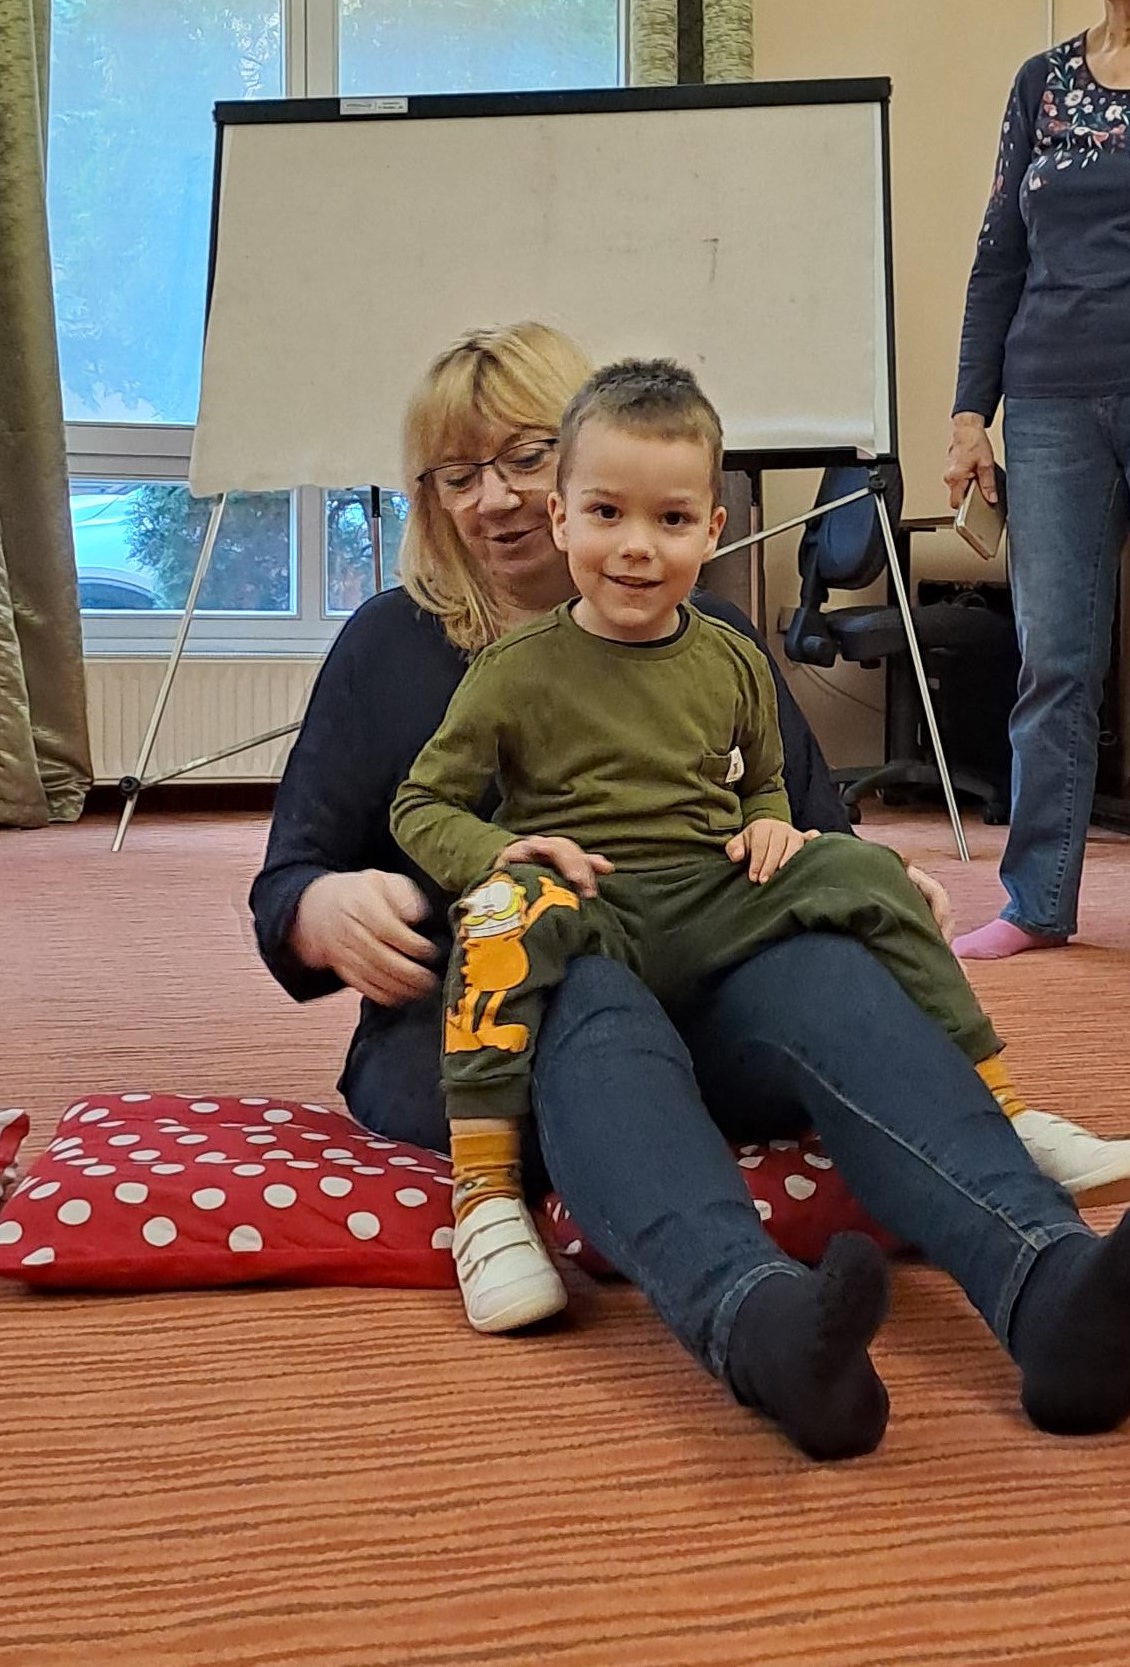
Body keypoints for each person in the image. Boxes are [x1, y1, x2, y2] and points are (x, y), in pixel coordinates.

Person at [253, 321, 1130, 1461]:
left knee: (824, 966)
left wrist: (878, 877)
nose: (495, 498)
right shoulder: (390, 644)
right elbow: (288, 877)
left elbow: (803, 819)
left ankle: (1048, 1284)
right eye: (457, 474)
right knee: (587, 989)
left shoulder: (712, 638)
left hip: (707, 976)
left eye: (521, 456)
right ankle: (760, 1324)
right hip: (494, 1026)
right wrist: (322, 910)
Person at [391, 358, 1042, 1336]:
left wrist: (771, 820)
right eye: (605, 513)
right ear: (562, 518)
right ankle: (484, 1196)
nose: (636, 546)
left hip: (709, 899)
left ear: (712, 529)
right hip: (590, 908)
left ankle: (1002, 1104)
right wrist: (497, 851)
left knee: (867, 870)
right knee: (496, 920)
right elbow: (421, 803)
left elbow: (761, 776)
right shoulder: (512, 670)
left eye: (669, 519)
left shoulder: (733, 655)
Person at [946, 7, 1130, 960]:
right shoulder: (1042, 81)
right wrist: (969, 414)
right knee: (1054, 655)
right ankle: (1036, 902)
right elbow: (999, 255)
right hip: (1051, 397)